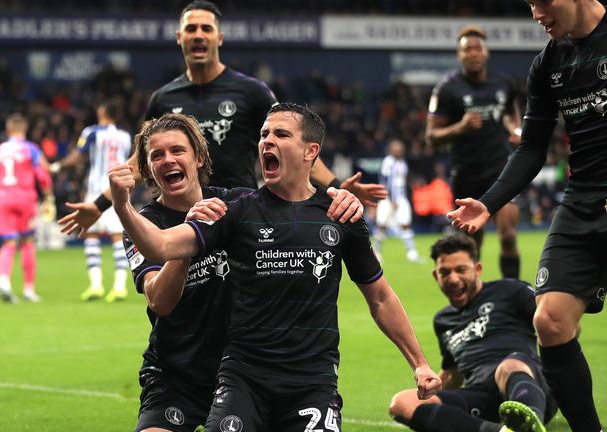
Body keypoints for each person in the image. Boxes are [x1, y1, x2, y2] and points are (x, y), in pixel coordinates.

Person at [107, 103, 441, 431]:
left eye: (280, 134)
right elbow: (161, 257)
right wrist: (122, 206)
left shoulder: (333, 215)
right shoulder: (233, 211)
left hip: (309, 381)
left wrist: (420, 363)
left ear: (311, 151)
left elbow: (380, 297)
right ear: (148, 169)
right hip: (197, 372)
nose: (267, 140)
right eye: (264, 134)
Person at [60, 113, 361, 431]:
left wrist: (343, 199)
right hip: (177, 376)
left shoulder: (234, 205)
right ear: (147, 169)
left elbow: (294, 200)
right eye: (157, 155)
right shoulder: (145, 225)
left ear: (199, 158)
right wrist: (187, 241)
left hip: (244, 375)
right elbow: (159, 301)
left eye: (178, 151)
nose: (168, 160)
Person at [82, 0, 386, 226]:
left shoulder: (251, 92)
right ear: (179, 37)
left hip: (239, 213)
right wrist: (98, 205)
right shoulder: (163, 98)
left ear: (219, 38)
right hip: (184, 217)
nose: (198, 34)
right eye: (191, 29)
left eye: (206, 29)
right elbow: (140, 162)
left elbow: (292, 145)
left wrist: (335, 185)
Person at [447, 2, 607, 431]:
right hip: (583, 199)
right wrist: (490, 201)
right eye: (530, 4)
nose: (536, 13)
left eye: (543, 1)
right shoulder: (549, 62)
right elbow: (532, 146)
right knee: (549, 320)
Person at [389, 234, 557, 432]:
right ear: (436, 276)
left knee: (508, 366)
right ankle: (501, 431)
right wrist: (430, 386)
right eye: (445, 272)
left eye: (461, 270)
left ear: (477, 269)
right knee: (402, 402)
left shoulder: (511, 291)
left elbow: (555, 324)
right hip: (480, 394)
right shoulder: (443, 320)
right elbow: (452, 374)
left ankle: (530, 420)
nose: (453, 279)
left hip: (528, 382)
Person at [425, 25, 522, 279]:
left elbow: (511, 113)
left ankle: (512, 297)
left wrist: (516, 128)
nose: (473, 53)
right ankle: (473, 301)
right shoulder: (447, 89)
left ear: (486, 52)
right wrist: (460, 127)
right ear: (459, 55)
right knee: (471, 245)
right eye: (467, 49)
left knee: (508, 236)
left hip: (501, 170)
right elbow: (431, 137)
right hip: (466, 175)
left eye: (477, 48)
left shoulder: (504, 83)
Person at [51, 100, 133, 302]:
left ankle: (96, 285)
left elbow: (78, 156)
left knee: (91, 234)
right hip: (118, 190)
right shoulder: (125, 136)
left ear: (103, 111)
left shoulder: (92, 132)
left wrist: (58, 166)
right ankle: (120, 287)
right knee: (117, 237)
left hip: (97, 191)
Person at [0, 113, 54, 304]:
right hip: (25, 198)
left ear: (8, 130)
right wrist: (48, 196)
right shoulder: (31, 149)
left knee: (8, 243)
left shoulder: (0, 150)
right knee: (27, 242)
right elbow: (42, 174)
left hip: (4, 198)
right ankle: (29, 289)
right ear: (24, 130)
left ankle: (3, 282)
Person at [373, 138, 423, 263]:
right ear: (390, 150)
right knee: (381, 225)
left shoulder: (402, 163)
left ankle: (412, 253)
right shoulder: (388, 162)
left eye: (400, 150)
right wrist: (392, 199)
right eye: (396, 150)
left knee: (405, 224)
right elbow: (387, 181)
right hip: (387, 198)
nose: (398, 152)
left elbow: (401, 181)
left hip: (401, 198)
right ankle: (377, 253)